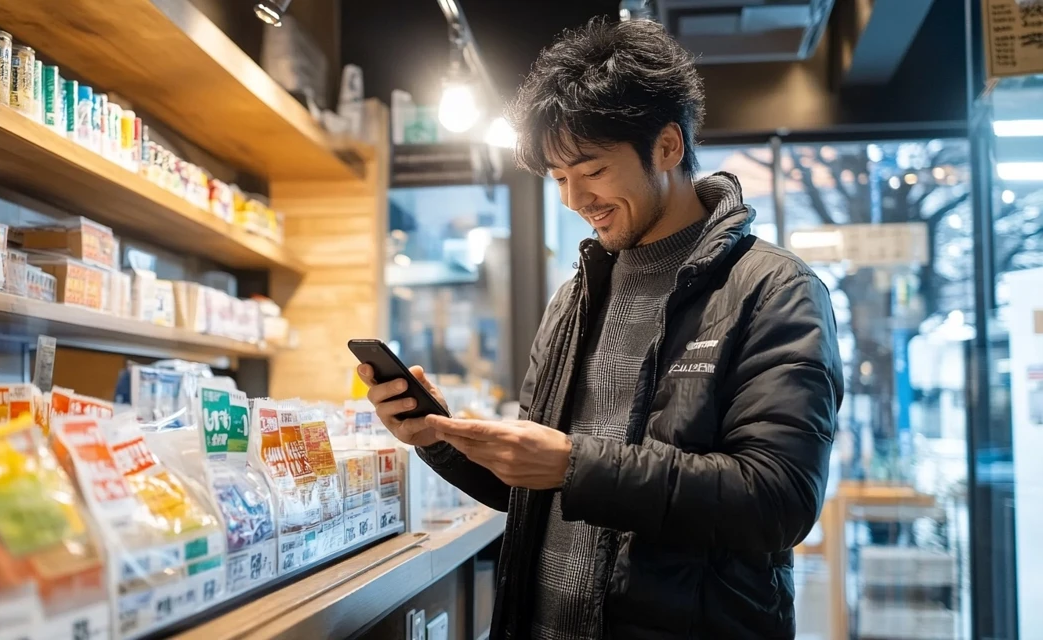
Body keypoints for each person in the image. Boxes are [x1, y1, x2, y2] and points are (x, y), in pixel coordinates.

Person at [358, 17, 843, 640]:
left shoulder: (773, 290)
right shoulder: (575, 298)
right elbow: (530, 489)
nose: (572, 199)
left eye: (590, 170)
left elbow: (778, 501)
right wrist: (441, 438)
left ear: (668, 147)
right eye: (559, 179)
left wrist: (573, 466)